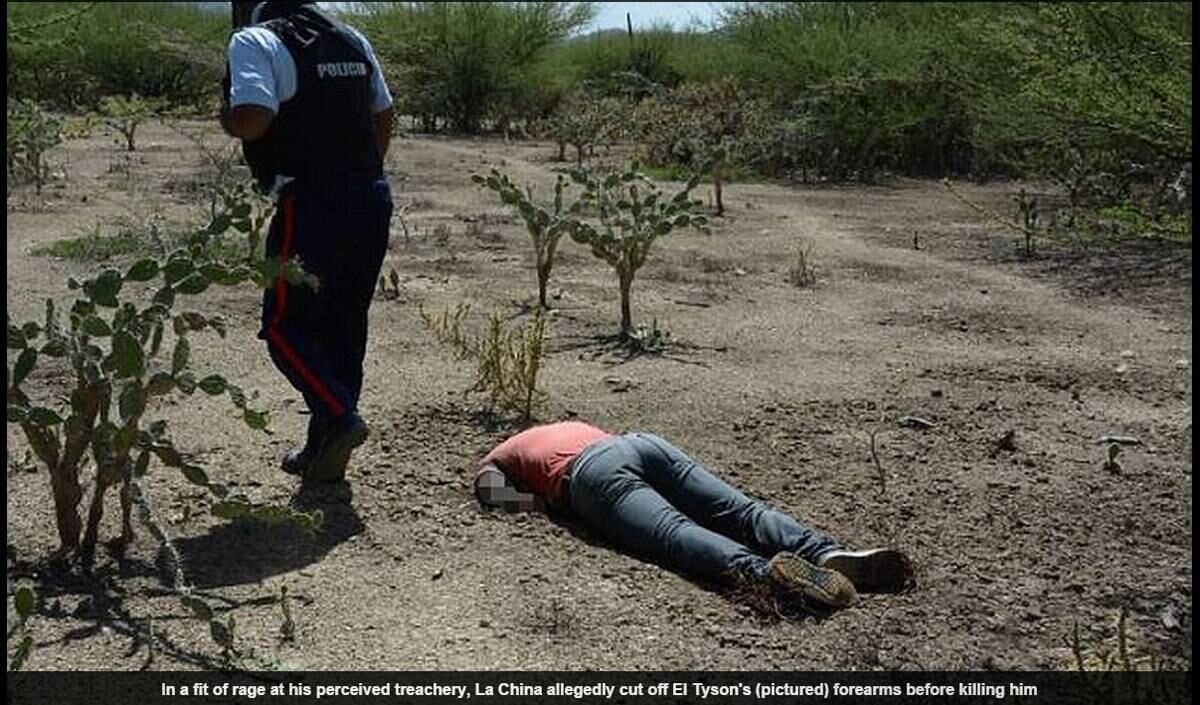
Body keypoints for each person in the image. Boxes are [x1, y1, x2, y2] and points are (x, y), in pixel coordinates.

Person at [221, 1, 395, 482]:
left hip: (312, 202)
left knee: (284, 324)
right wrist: (360, 173)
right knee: (345, 323)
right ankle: (323, 451)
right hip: (370, 195)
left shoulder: (255, 39)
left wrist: (227, 117)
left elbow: (254, 117)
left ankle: (338, 417)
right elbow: (383, 115)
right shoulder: (350, 39)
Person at [475, 421, 913, 609]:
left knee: (673, 531)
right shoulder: (561, 426)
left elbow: (490, 490)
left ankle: (765, 574)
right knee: (743, 511)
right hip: (640, 443)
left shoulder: (502, 454)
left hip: (591, 474)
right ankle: (824, 552)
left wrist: (541, 505)